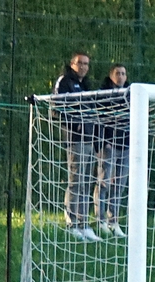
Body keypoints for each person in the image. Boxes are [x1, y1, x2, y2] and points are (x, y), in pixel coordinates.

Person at [53, 51, 100, 242]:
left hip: (89, 138)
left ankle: (84, 223)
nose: (83, 67)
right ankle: (72, 222)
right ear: (72, 64)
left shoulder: (86, 85)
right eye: (80, 63)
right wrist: (75, 124)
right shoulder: (65, 81)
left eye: (86, 64)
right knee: (76, 180)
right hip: (75, 138)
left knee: (86, 182)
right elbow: (56, 108)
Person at [94, 64, 130, 239]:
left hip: (125, 145)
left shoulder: (130, 95)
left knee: (119, 185)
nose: (121, 76)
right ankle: (100, 220)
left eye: (123, 74)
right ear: (111, 75)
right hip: (108, 145)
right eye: (118, 73)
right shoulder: (104, 93)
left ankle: (113, 221)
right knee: (103, 182)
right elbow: (99, 120)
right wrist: (103, 142)